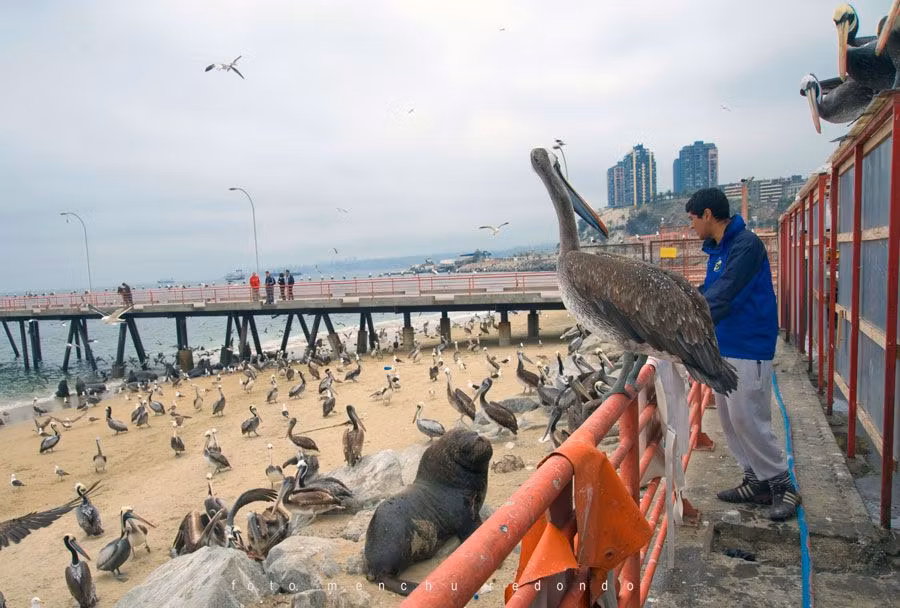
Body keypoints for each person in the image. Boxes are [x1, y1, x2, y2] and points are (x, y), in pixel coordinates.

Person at [685, 187, 800, 521]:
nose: (692, 226)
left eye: (693, 219)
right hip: (725, 345)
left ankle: (782, 484)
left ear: (707, 215)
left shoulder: (746, 245)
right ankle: (755, 479)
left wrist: (688, 323)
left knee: (750, 418)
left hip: (750, 346)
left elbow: (725, 293)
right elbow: (710, 291)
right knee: (730, 419)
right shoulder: (719, 250)